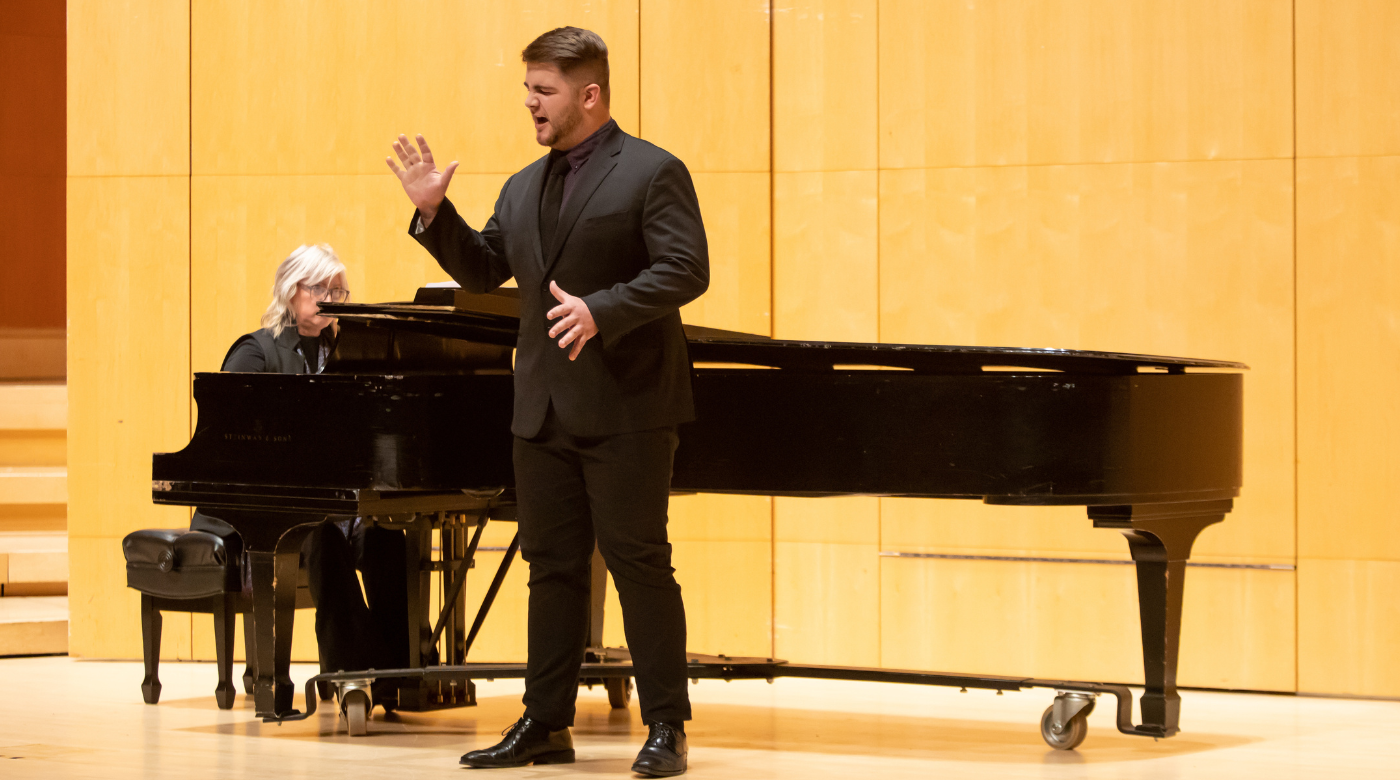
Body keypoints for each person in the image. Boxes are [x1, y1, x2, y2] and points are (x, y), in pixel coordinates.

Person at [387, 26, 708, 777]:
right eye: (527, 89)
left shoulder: (653, 171)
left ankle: (667, 725)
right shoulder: (524, 185)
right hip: (542, 410)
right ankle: (545, 721)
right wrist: (437, 214)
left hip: (628, 406)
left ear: (589, 95)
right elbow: (487, 269)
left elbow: (686, 270)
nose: (530, 103)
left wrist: (606, 310)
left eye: (544, 91)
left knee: (640, 564)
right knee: (551, 567)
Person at [195, 244, 409, 687]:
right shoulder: (256, 352)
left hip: (328, 503)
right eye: (321, 289)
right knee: (325, 539)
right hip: (263, 508)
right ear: (292, 292)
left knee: (387, 540)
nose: (332, 299)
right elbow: (227, 442)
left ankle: (400, 674)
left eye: (340, 291)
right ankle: (350, 674)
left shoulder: (345, 354)